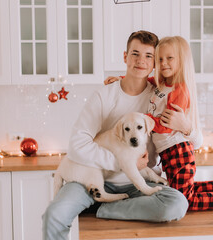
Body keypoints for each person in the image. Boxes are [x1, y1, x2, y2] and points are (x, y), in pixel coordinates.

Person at [42, 31, 201, 240]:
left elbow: (197, 142)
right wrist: (125, 163)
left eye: (148, 56)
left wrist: (187, 127)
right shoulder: (104, 94)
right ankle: (100, 198)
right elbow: (77, 145)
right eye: (135, 54)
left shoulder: (161, 94)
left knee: (177, 204)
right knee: (54, 215)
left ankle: (102, 208)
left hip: (137, 183)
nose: (140, 61)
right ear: (125, 57)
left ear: (155, 63)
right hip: (91, 176)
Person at [105, 36, 213, 211]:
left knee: (186, 200)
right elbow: (142, 79)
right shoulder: (161, 84)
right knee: (180, 190)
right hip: (167, 151)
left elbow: (166, 124)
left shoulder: (180, 90)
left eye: (170, 58)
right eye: (160, 59)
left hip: (177, 150)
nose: (164, 63)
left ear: (181, 60)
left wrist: (142, 121)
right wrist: (120, 79)